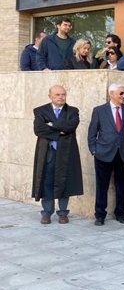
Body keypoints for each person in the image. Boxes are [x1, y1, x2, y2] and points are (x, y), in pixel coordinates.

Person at [32, 85, 83, 224]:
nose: (61, 97)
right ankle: (47, 213)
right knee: (46, 181)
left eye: (63, 94)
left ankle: (63, 213)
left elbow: (70, 127)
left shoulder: (72, 111)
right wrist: (59, 131)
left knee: (64, 181)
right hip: (47, 153)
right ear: (50, 96)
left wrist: (50, 125)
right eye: (57, 95)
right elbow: (38, 129)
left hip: (66, 152)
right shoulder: (40, 111)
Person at [87, 83, 124, 226]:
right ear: (111, 94)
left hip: (123, 154)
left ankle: (120, 213)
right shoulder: (99, 110)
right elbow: (92, 133)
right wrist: (94, 150)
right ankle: (100, 214)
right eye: (121, 93)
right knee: (102, 186)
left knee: (122, 186)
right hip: (103, 154)